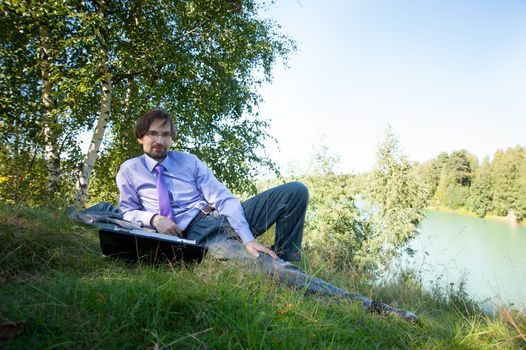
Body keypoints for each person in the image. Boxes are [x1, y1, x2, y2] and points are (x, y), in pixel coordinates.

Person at [115, 108, 418, 322]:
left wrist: (247, 238)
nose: (160, 140)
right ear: (141, 137)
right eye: (153, 133)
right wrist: (153, 219)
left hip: (222, 219)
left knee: (295, 191)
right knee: (274, 270)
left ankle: (287, 260)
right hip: (198, 234)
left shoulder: (188, 161)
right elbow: (126, 211)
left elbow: (223, 197)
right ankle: (371, 307)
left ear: (172, 138)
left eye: (166, 134)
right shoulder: (130, 170)